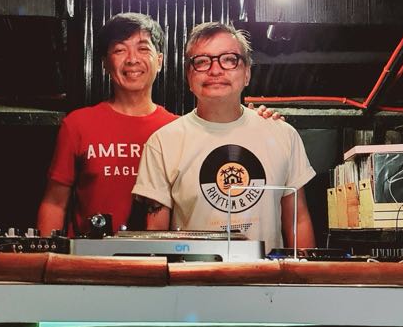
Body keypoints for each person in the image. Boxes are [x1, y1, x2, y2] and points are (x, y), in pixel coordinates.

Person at [133, 21, 316, 250]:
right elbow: (156, 235)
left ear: (247, 73)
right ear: (189, 76)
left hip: (266, 273)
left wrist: (304, 271)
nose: (215, 70)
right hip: (195, 272)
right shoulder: (163, 142)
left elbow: (298, 220)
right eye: (202, 61)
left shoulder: (283, 134)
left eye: (229, 59)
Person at [37, 13, 175, 235]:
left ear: (159, 61)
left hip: (156, 254)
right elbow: (54, 203)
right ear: (105, 63)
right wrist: (46, 252)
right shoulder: (78, 124)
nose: (132, 59)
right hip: (88, 254)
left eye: (143, 48)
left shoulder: (176, 129)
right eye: (120, 50)